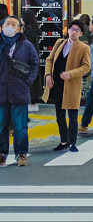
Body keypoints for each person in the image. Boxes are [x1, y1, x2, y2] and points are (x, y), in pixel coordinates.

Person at [44, 19, 91, 152]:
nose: (74, 32)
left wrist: (71, 74)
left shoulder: (84, 47)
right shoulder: (60, 43)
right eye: (72, 29)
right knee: (59, 114)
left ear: (81, 33)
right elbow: (49, 59)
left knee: (72, 115)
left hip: (71, 85)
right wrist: (48, 75)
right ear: (68, 30)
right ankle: (64, 141)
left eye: (77, 30)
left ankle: (73, 143)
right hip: (57, 83)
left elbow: (86, 67)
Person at [0, 14, 39, 166]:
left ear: (19, 29)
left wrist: (28, 81)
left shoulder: (26, 45)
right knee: (1, 126)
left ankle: (21, 154)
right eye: (7, 23)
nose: (10, 26)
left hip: (19, 91)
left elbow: (35, 64)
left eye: (14, 24)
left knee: (20, 127)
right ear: (2, 27)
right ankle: (2, 153)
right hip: (2, 91)